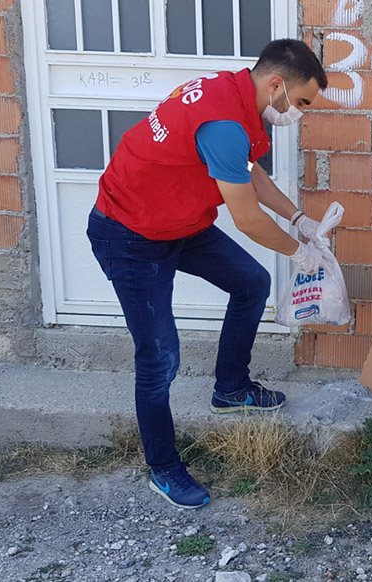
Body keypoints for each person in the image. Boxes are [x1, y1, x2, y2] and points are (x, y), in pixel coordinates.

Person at [87, 39, 330, 510]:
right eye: (301, 102)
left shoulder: (233, 94)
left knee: (251, 283)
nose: (299, 113)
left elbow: (248, 172)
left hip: (178, 222)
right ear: (276, 85)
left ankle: (231, 389)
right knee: (160, 358)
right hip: (131, 234)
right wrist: (299, 252)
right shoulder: (223, 124)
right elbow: (248, 220)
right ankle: (163, 467)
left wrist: (298, 218)